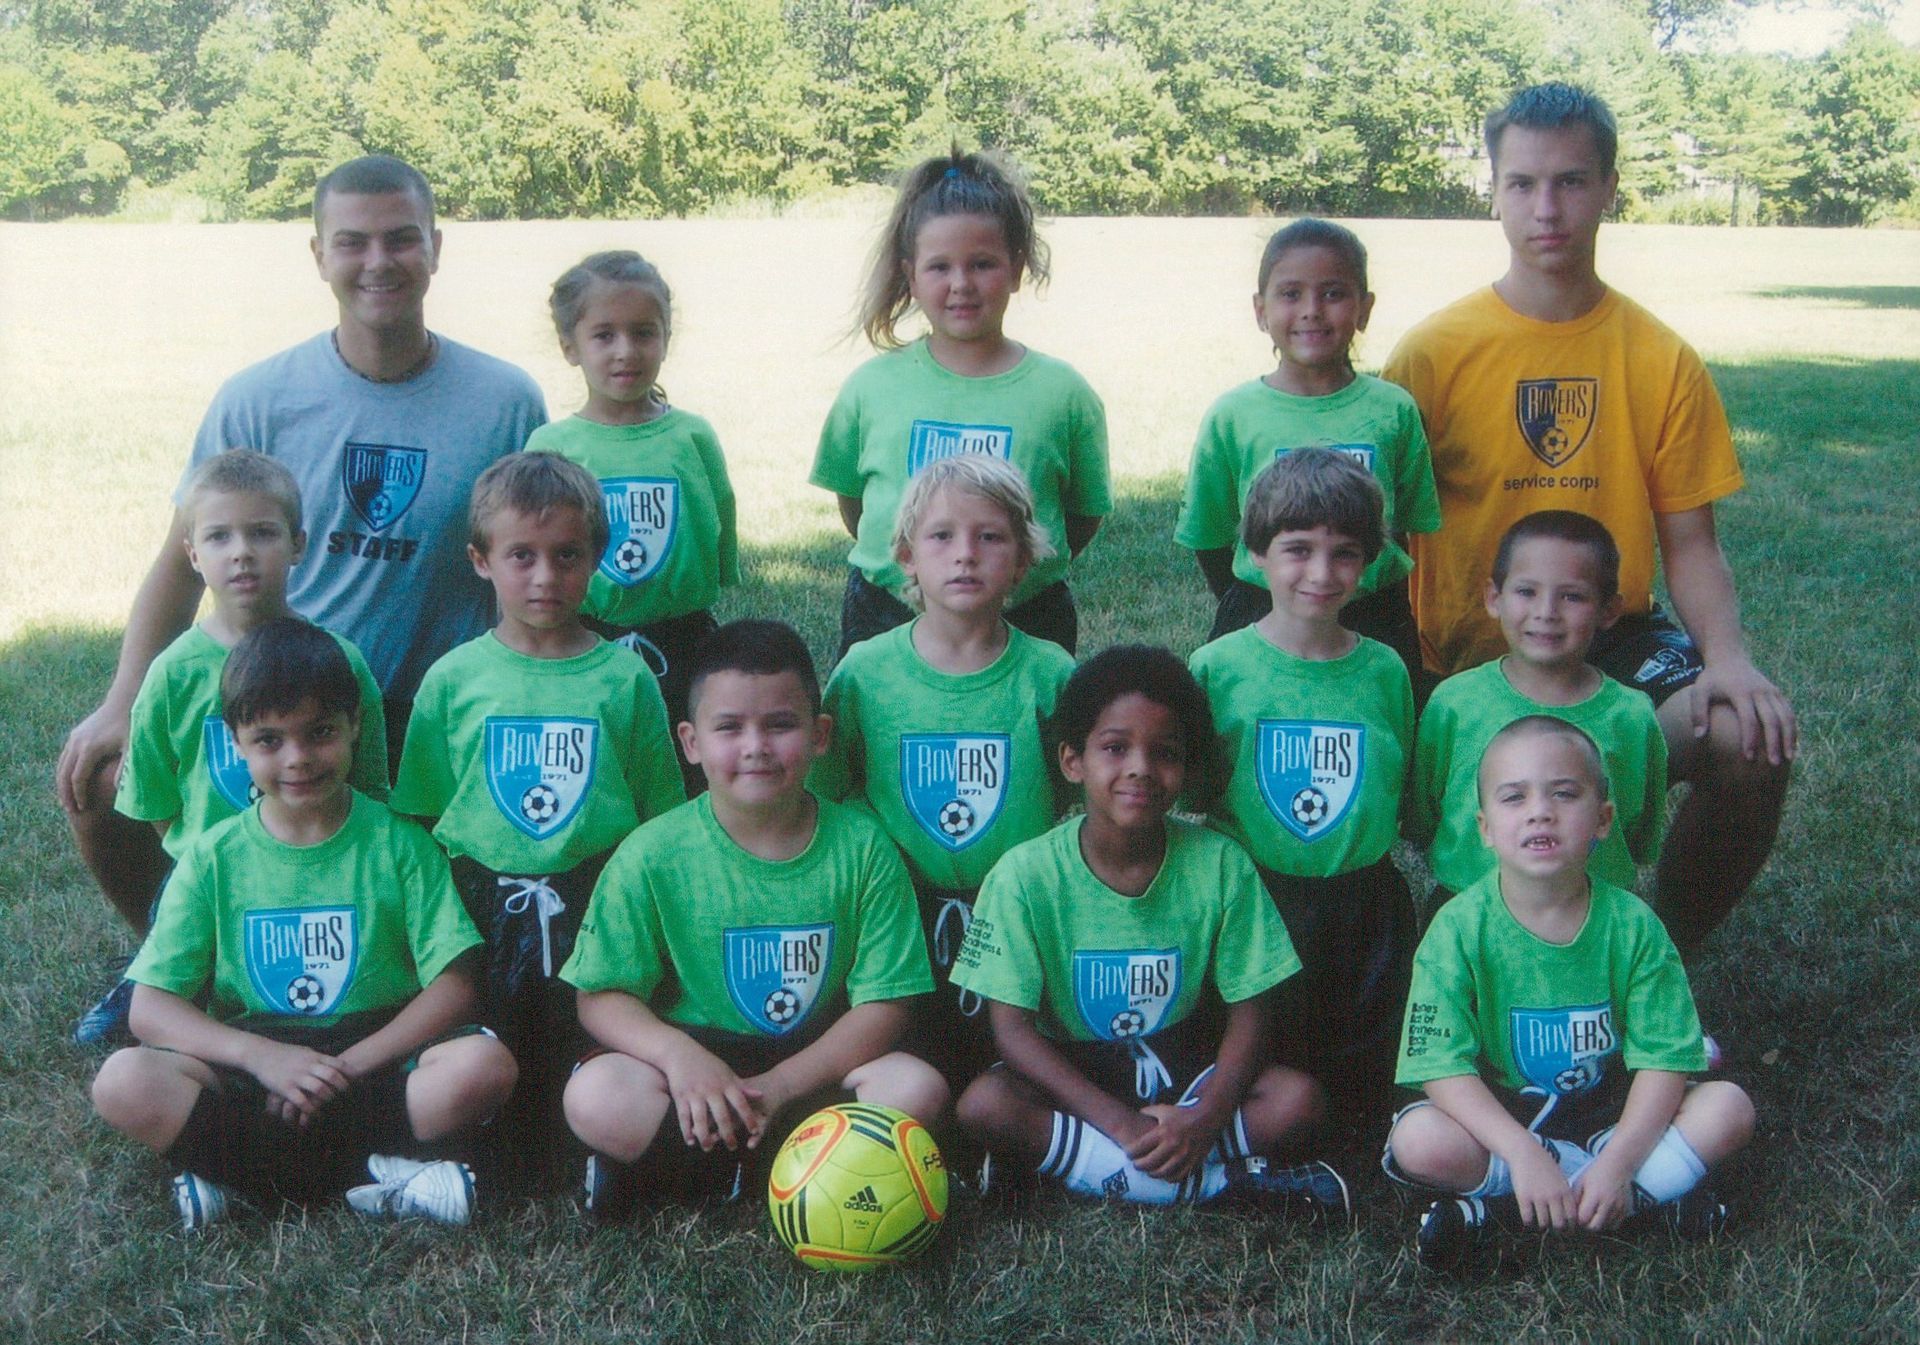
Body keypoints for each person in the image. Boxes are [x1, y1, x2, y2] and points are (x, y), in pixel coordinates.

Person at [56, 154, 547, 947]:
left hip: (431, 707)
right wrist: (121, 701)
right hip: (285, 696)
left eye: (401, 238)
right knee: (102, 779)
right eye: (352, 242)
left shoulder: (505, 399)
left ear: (436, 247)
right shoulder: (259, 399)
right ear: (319, 254)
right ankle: (175, 955)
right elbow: (181, 561)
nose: (379, 261)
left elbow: (536, 556)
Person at [1382, 83, 1795, 955]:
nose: (1547, 208)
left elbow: (1693, 544)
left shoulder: (1660, 357)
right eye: (1523, 183)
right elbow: (1375, 530)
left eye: (1570, 181)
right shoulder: (1431, 353)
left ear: (1609, 186)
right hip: (1457, 655)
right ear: (1493, 192)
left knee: (1747, 740)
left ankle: (1656, 953)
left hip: (1608, 640)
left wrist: (1729, 658)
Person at [89, 618, 517, 1231]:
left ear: (355, 726)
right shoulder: (212, 857)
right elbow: (150, 1009)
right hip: (254, 1061)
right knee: (123, 1080)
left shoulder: (401, 845)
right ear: (235, 743)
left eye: (320, 732)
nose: (298, 758)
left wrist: (349, 1066)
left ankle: (240, 1174)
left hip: (376, 1054)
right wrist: (263, 1058)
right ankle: (382, 1175)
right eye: (269, 740)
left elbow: (456, 987)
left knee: (484, 1066)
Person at [559, 620, 946, 1219]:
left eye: (780, 724)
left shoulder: (863, 847)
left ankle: (694, 1174)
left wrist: (785, 1083)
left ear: (820, 735)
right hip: (700, 1065)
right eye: (729, 727)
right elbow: (601, 996)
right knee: (595, 1094)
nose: (755, 746)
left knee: (915, 1088)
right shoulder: (652, 852)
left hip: (816, 1063)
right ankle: (784, 1173)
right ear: (691, 742)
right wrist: (679, 1058)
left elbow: (887, 1004)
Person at [952, 646, 1349, 1216]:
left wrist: (1205, 1117)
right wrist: (1118, 1122)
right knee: (985, 1105)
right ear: (1072, 761)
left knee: (1297, 1101)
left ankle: (1083, 1167)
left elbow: (1252, 1010)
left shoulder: (1220, 863)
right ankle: (1218, 1186)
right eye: (1115, 748)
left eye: (1164, 753)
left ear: (1185, 768)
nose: (1140, 767)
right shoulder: (1022, 875)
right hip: (1076, 1077)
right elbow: (1011, 1031)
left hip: (1183, 1068)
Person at [392, 454, 684, 1176]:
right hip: (481, 902)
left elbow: (660, 819)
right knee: (489, 1045)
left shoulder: (626, 677)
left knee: (586, 1044)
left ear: (598, 556)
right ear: (480, 560)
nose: (545, 576)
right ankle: (477, 1157)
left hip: (596, 897)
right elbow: (422, 816)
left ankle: (588, 1146)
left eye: (567, 555)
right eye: (521, 555)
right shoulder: (453, 679)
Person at [1385, 717, 1754, 1270]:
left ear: (1602, 819)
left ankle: (1508, 1213)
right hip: (1506, 1114)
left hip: (1614, 1110)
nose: (1540, 811)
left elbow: (1665, 1060)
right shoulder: (1456, 929)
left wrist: (1620, 1161)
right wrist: (1521, 1152)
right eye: (1514, 797)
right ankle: (1649, 1202)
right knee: (1419, 1139)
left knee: (1729, 1109)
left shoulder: (1634, 925)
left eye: (1564, 793)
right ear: (1485, 828)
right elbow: (1440, 1067)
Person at [74, 452, 394, 1046]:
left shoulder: (338, 660)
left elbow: (369, 785)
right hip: (209, 884)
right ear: (193, 555)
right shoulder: (171, 673)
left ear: (298, 544)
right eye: (219, 536)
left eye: (262, 533)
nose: (241, 552)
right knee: (181, 1020)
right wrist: (201, 858)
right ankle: (153, 974)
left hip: (320, 872)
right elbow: (156, 799)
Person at [811, 455, 1075, 1092]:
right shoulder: (865, 672)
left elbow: (1079, 799)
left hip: (1019, 914)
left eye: (990, 537)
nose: (965, 555)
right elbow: (829, 793)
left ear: (1023, 560)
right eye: (941, 536)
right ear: (906, 557)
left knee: (1020, 1068)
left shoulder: (1051, 673)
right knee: (904, 1064)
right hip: (897, 916)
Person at [1188, 448, 1417, 1135]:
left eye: (1345, 553)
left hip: (1365, 901)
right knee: (1260, 1049)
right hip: (1257, 895)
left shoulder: (1385, 669)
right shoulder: (1217, 666)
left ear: (1370, 561)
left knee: (1365, 1069)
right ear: (1255, 553)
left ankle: (1362, 1138)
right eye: (1298, 549)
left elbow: (1397, 780)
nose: (1321, 573)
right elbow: (1197, 788)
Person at [810, 149, 1111, 658]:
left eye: (982, 264)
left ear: (1016, 268)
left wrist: (1009, 570)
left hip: (1026, 616)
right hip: (888, 611)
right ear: (910, 276)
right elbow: (856, 505)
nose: (961, 284)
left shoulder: (1064, 394)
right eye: (939, 267)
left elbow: (1080, 516)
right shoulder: (871, 387)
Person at [1176, 218, 1439, 683]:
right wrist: (1270, 592)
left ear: (1364, 309)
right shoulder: (1234, 414)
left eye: (1333, 293)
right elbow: (1210, 538)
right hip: (1264, 613)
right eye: (1291, 294)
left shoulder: (1393, 410)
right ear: (1261, 310)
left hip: (1374, 616)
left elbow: (1404, 528)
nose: (1312, 311)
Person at [526, 250, 738, 787]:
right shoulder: (554, 444)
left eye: (644, 333)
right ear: (570, 346)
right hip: (586, 638)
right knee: (605, 768)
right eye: (604, 335)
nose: (626, 351)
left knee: (688, 769)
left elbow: (719, 517)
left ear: (666, 337)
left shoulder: (691, 436)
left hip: (685, 641)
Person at [1410, 511, 1667, 905]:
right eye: (1527, 591)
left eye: (1572, 596)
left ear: (1609, 610)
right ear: (1494, 598)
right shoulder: (1455, 702)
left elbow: (1638, 827)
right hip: (1466, 907)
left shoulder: (1631, 717)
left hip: (1592, 914)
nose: (1546, 611)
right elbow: (1423, 813)